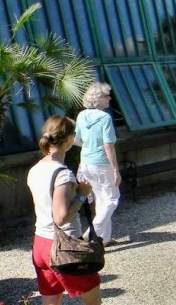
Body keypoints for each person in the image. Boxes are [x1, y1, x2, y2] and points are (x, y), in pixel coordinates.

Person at [28, 116, 101, 305]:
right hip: (66, 246)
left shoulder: (35, 169)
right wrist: (82, 195)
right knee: (93, 301)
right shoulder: (63, 174)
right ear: (68, 139)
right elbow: (60, 217)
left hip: (41, 243)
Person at [75, 82, 120, 246]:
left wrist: (89, 147)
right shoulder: (105, 118)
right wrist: (115, 170)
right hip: (102, 163)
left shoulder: (81, 115)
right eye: (107, 96)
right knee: (112, 198)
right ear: (98, 98)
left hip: (86, 163)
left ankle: (104, 238)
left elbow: (76, 140)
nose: (110, 98)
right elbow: (108, 146)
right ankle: (92, 231)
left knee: (101, 199)